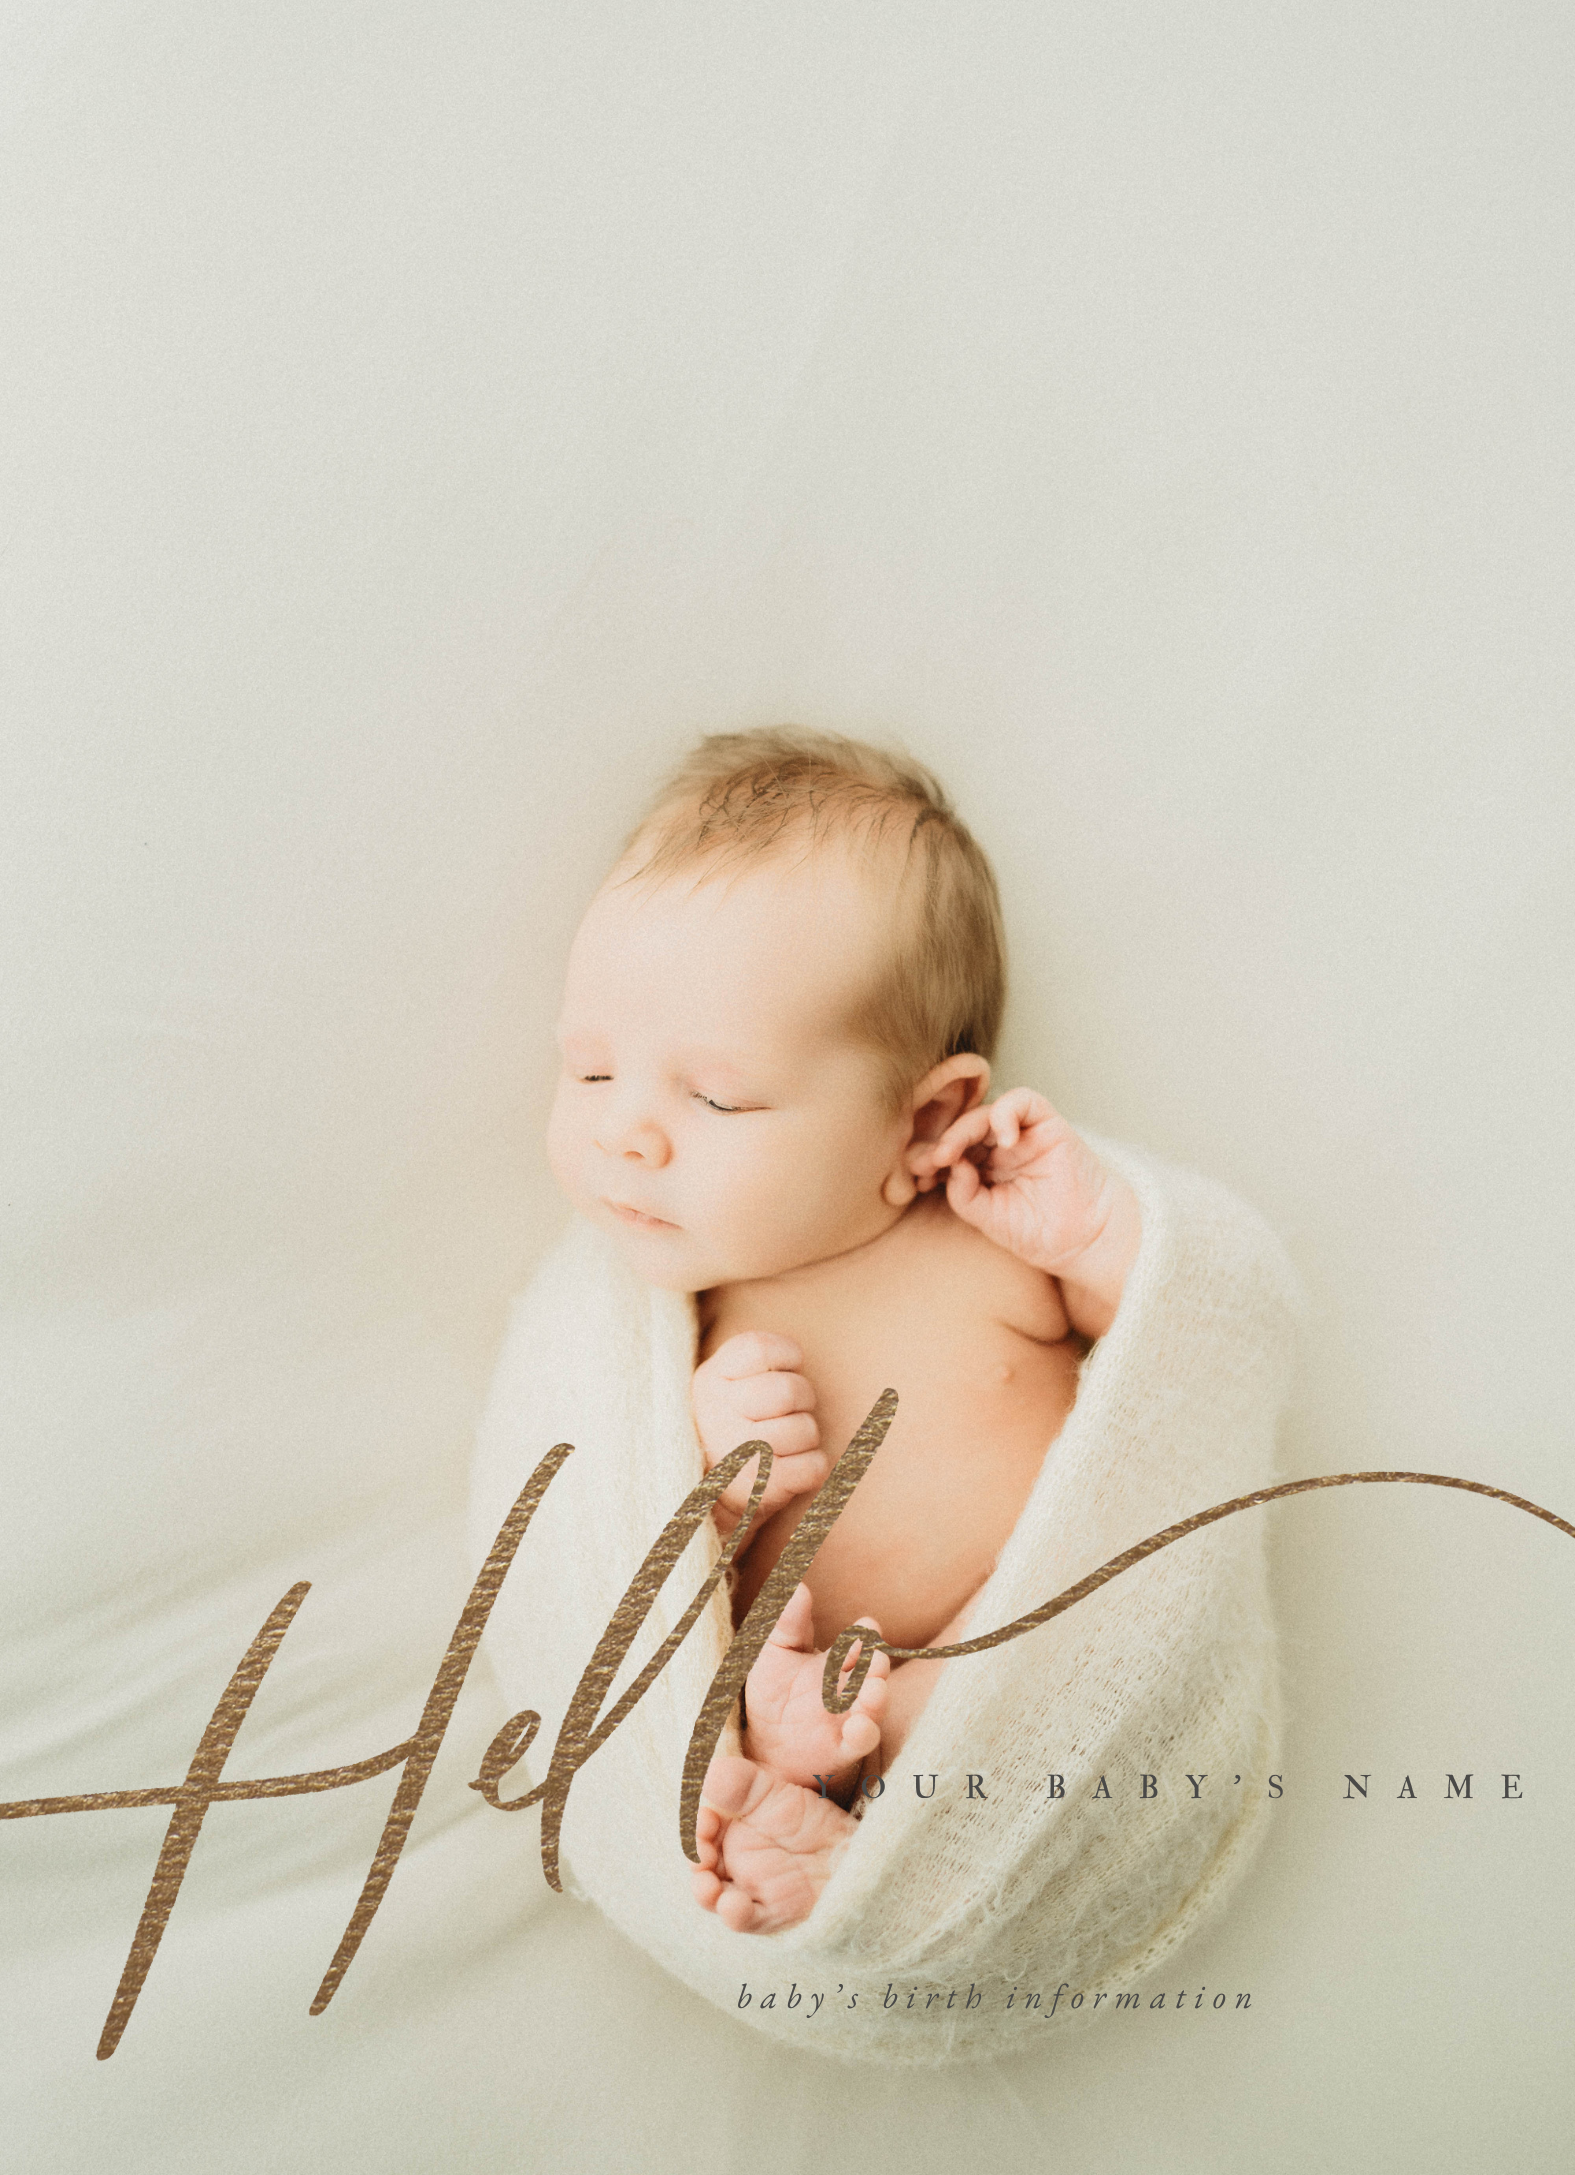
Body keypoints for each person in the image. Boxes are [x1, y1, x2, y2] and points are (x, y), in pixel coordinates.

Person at [545, 726, 1142, 1933]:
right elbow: (611, 1529)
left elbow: (1159, 1365)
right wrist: (702, 1476)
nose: (628, 1133)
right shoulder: (682, 1312)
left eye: (713, 1095)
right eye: (592, 1071)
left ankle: (861, 1818)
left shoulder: (993, 1236)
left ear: (928, 1115)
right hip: (787, 1655)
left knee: (1019, 1665)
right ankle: (798, 1782)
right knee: (759, 1704)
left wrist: (1094, 1241)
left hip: (1012, 1632)